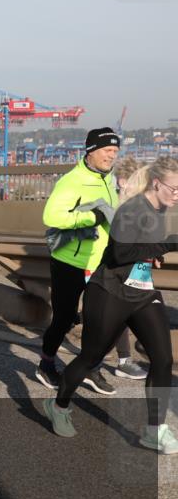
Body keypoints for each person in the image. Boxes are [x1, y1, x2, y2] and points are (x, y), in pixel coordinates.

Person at [43, 156, 178, 454]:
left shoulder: (160, 207)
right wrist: (169, 244)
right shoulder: (131, 210)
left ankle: (154, 431)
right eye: (175, 188)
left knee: (162, 359)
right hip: (110, 292)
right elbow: (119, 254)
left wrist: (157, 253)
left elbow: (143, 247)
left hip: (141, 291)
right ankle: (58, 405)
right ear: (157, 184)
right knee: (91, 357)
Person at [36, 127, 120, 395]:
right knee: (63, 319)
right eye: (107, 150)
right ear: (91, 151)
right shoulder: (71, 182)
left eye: (115, 151)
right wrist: (90, 218)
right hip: (70, 262)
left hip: (100, 262)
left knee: (101, 320)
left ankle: (89, 369)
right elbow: (52, 217)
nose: (112, 156)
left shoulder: (109, 179)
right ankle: (46, 364)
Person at [109, 156, 149, 380]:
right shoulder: (114, 205)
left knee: (138, 307)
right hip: (118, 268)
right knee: (122, 311)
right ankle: (123, 360)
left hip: (139, 265)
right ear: (123, 182)